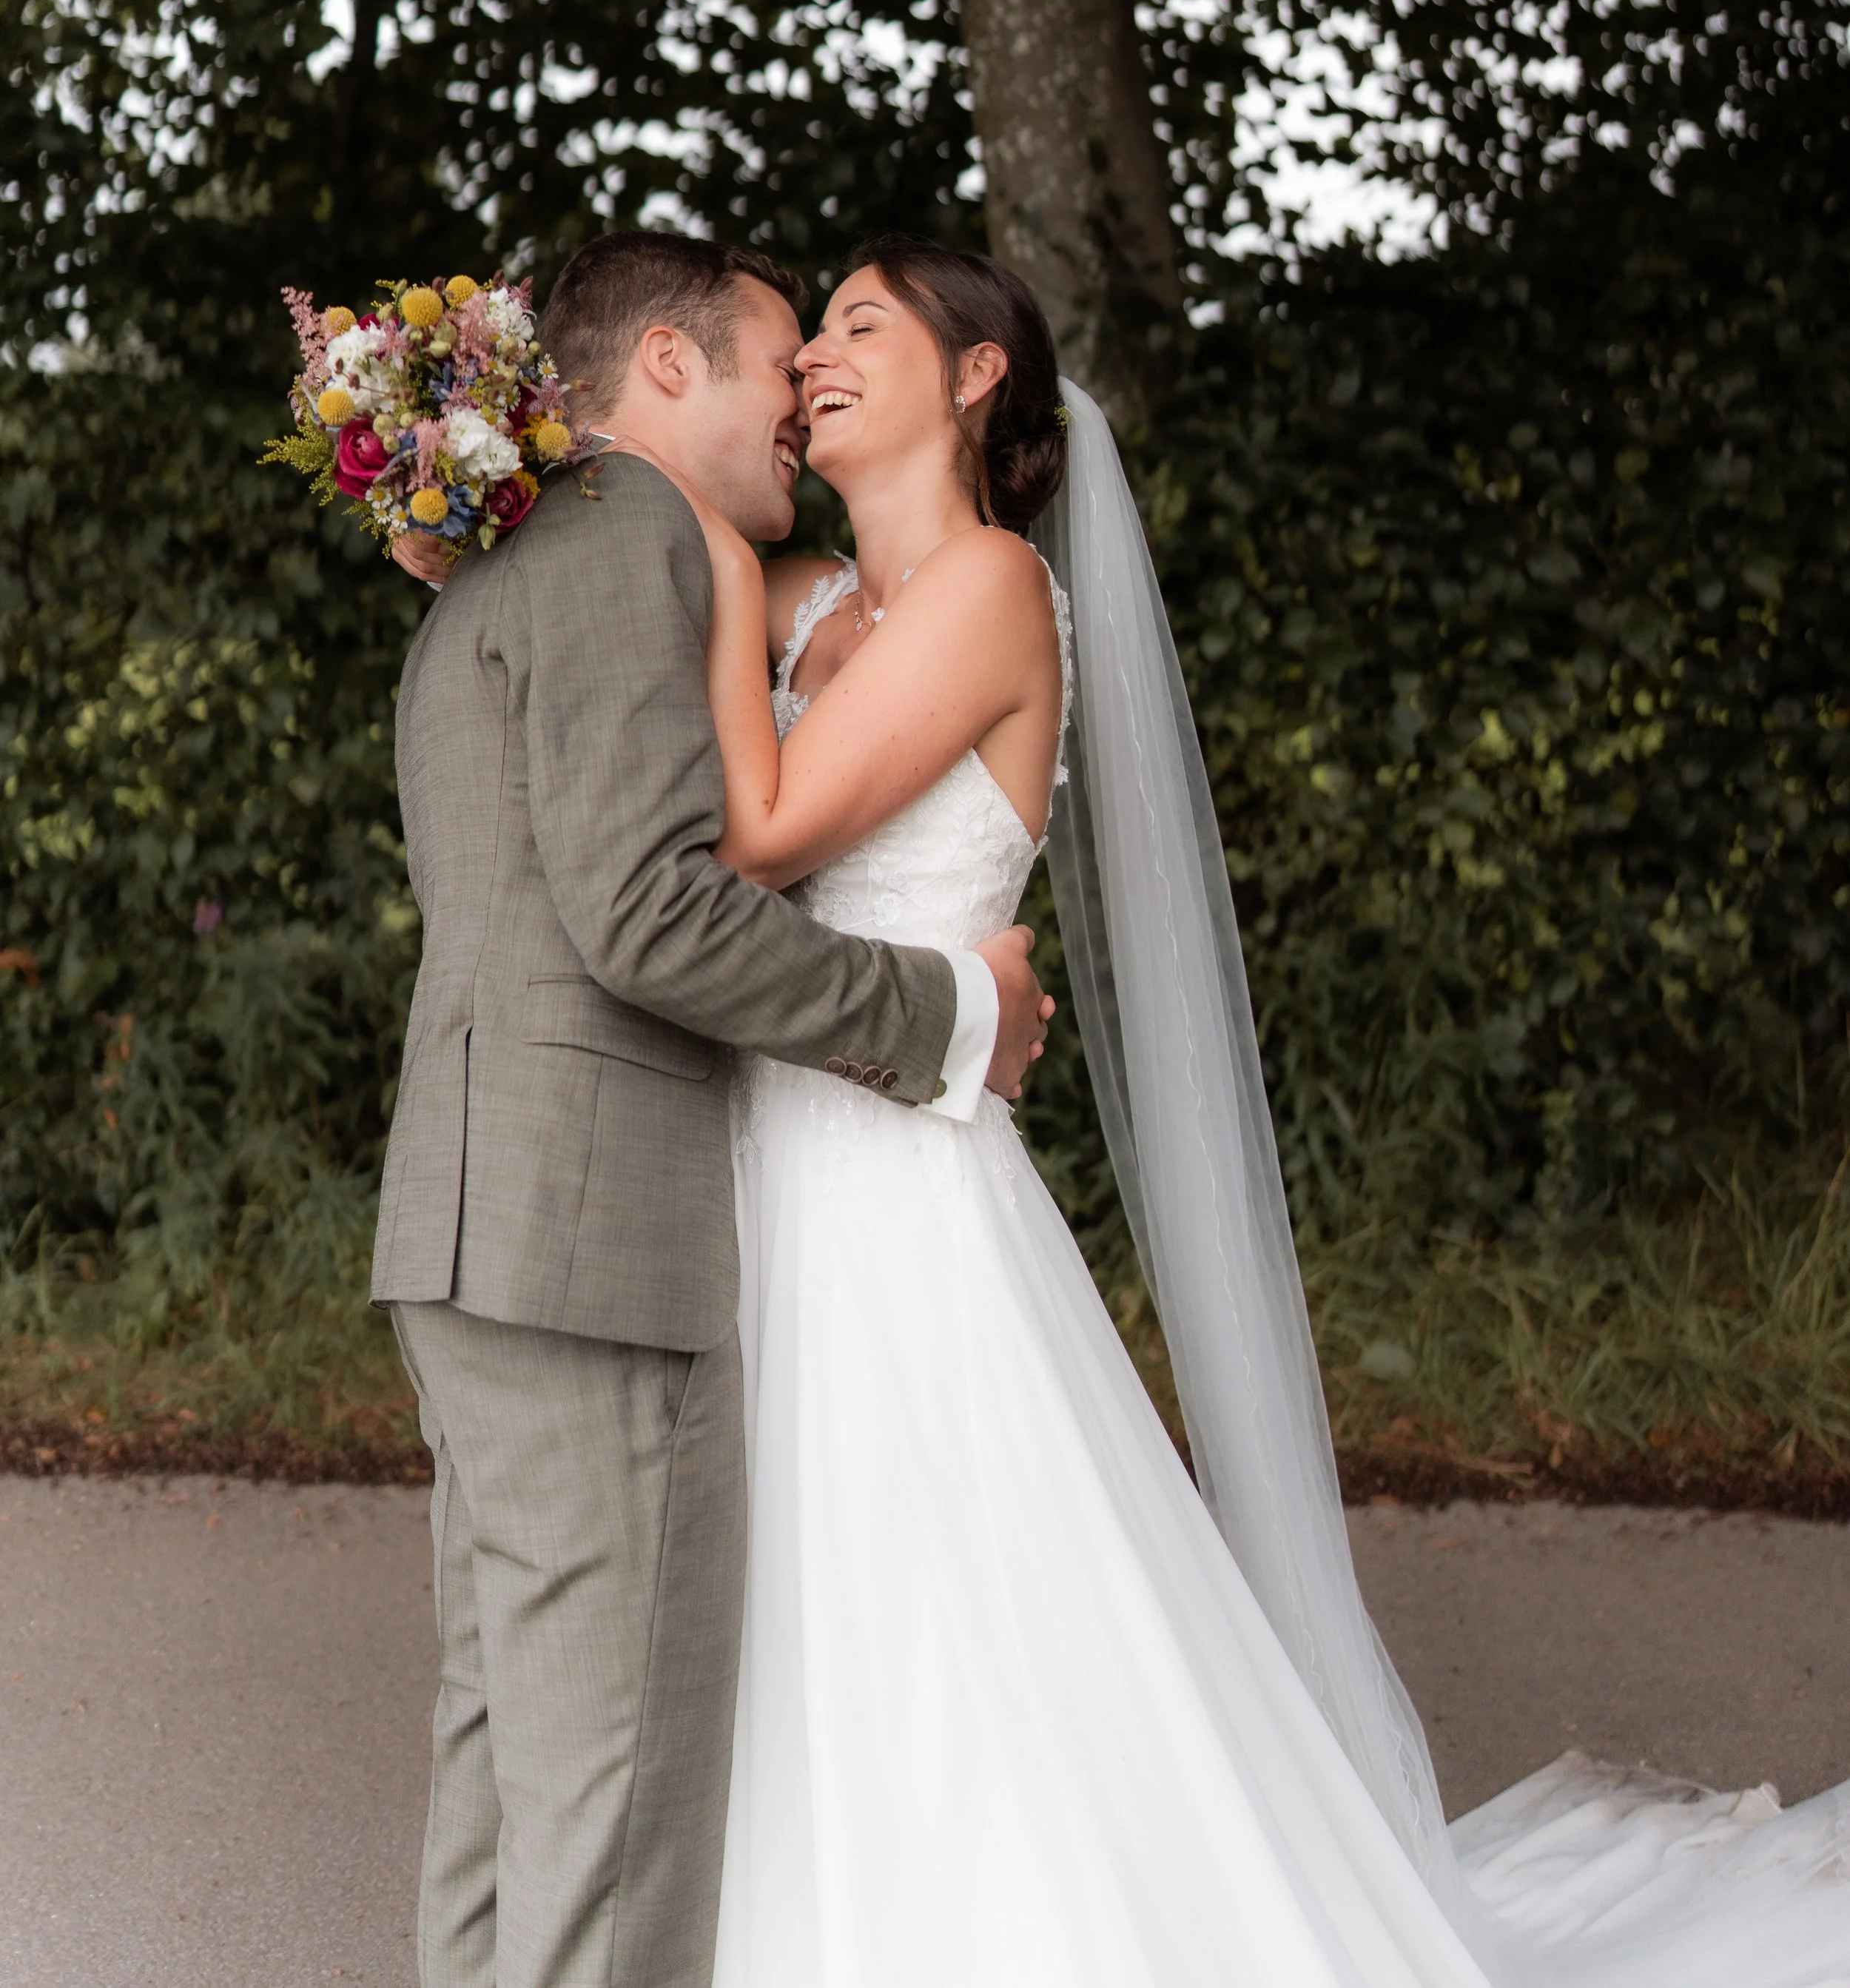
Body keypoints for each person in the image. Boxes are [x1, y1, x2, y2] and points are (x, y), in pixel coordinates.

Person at [647, 235, 1850, 1988]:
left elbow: (759, 836)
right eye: (806, 334)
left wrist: (685, 533)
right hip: (775, 1147)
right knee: (798, 1594)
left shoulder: (987, 589)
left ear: (976, 376)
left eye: (856, 325)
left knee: (928, 1583)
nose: (812, 356)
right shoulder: (819, 596)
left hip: (898, 1186)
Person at [374, 231, 1053, 1988]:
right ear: (666, 370)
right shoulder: (627, 551)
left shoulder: (503, 562)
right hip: (587, 1235)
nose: (798, 390)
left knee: (506, 1758)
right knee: (608, 1799)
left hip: (476, 1214)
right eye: (775, 356)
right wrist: (944, 1010)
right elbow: (651, 910)